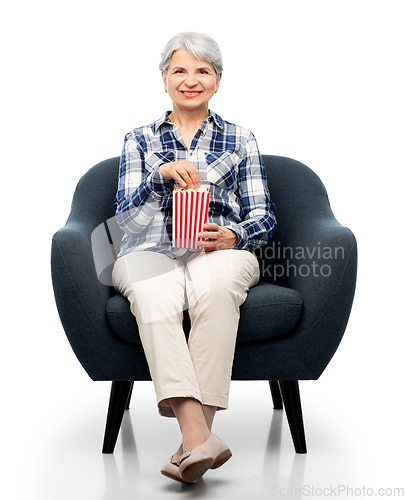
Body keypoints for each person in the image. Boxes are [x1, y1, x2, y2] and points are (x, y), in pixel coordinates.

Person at [112, 32, 276, 484]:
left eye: (202, 71)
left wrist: (233, 234)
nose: (190, 80)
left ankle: (191, 446)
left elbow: (264, 214)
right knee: (154, 292)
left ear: (218, 80)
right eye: (179, 71)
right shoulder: (139, 139)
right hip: (149, 249)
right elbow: (125, 222)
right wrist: (158, 178)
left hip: (218, 250)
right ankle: (200, 436)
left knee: (216, 287)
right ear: (163, 79)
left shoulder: (240, 138)